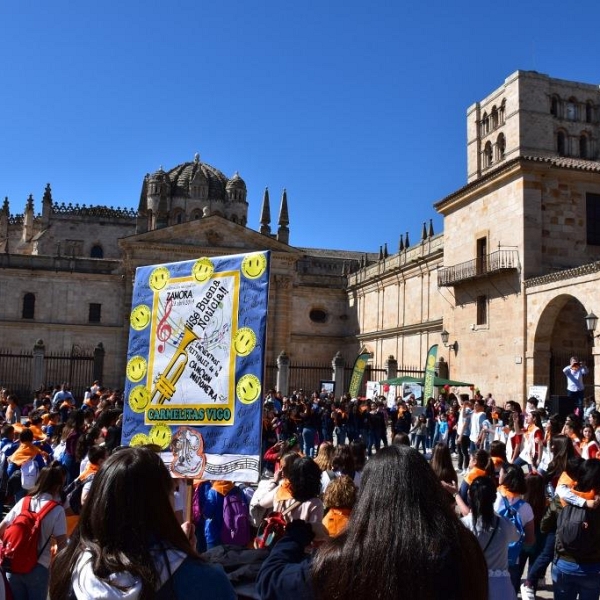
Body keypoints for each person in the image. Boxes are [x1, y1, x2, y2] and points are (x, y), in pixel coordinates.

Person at [257, 445, 488, 600]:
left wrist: (296, 534)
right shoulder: (463, 548)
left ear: (368, 495)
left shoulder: (348, 558)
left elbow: (271, 581)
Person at [49, 446, 236, 599]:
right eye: (172, 491)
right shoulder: (205, 582)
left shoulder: (67, 566)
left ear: (98, 501)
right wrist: (186, 559)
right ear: (162, 502)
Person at [0, 462, 67, 600]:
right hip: (39, 567)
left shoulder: (23, 502)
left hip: (13, 564)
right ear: (57, 486)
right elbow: (62, 545)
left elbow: (2, 527)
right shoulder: (57, 510)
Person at [458, 476, 519, 600]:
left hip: (473, 584)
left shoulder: (463, 525)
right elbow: (516, 537)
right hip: (501, 587)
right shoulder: (504, 524)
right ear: (494, 498)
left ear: (470, 496)